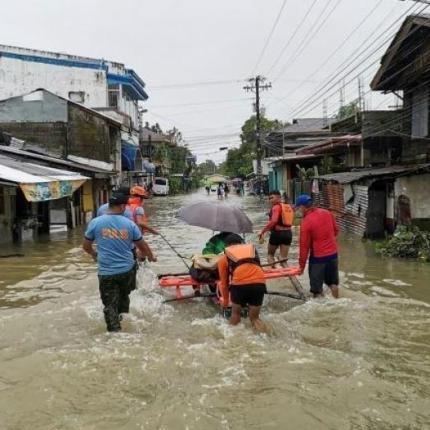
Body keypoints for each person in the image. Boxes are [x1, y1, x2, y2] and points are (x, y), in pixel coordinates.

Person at [83, 192, 157, 332]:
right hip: (127, 271)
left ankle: (115, 334)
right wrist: (151, 257)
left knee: (110, 305)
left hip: (106, 273)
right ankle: (124, 321)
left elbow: (86, 246)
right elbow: (142, 246)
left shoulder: (95, 222)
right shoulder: (129, 224)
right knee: (124, 298)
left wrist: (94, 254)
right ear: (123, 206)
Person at [217, 235, 268, 333]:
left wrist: (226, 302)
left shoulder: (223, 258)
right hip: (259, 284)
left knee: (235, 315)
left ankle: (231, 339)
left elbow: (224, 284)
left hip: (239, 285)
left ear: (226, 246)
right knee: (255, 318)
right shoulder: (252, 252)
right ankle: (266, 338)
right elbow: (258, 268)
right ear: (241, 243)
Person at [295, 194, 340, 299]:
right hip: (333, 255)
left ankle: (320, 312)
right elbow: (336, 230)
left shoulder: (306, 222)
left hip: (318, 259)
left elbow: (304, 247)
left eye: (298, 207)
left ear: (302, 207)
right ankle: (337, 301)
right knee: (333, 283)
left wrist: (301, 267)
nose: (298, 210)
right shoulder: (327, 213)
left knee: (316, 290)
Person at [258, 190, 294, 267]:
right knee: (283, 258)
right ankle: (288, 274)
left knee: (270, 255)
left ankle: (274, 271)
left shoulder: (276, 207)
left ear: (278, 197)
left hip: (277, 234)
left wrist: (263, 231)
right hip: (288, 233)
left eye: (272, 198)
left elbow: (274, 221)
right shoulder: (287, 206)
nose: (270, 200)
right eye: (269, 198)